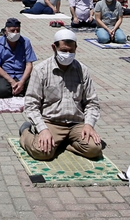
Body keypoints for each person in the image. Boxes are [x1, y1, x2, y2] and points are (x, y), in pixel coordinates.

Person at [19, 29, 103, 161]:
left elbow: (92, 103)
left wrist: (89, 125)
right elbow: (31, 105)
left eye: (71, 51)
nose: (68, 54)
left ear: (76, 48)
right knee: (41, 152)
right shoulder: (41, 70)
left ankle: (62, 143)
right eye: (64, 51)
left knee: (95, 149)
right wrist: (42, 129)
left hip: (76, 123)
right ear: (54, 47)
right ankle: (25, 133)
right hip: (51, 122)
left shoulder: (82, 70)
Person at [0, 18, 37, 99]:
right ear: (5, 31)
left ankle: (18, 89)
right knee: (1, 91)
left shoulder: (26, 42)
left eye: (17, 30)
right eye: (12, 31)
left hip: (22, 75)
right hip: (5, 75)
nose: (15, 33)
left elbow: (29, 65)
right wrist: (12, 82)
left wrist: (22, 82)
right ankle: (16, 90)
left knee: (36, 89)